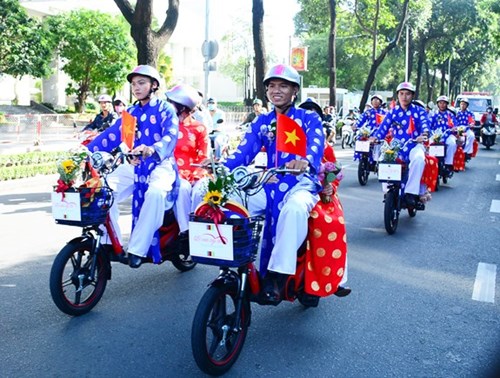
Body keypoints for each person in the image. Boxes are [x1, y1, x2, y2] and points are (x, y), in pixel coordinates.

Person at [224, 64, 325, 303]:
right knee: (230, 200)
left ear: (294, 91)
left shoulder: (307, 117)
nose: (276, 90)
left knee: (293, 210)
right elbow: (243, 152)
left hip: (301, 184)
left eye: (283, 86)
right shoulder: (262, 121)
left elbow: (316, 144)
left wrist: (305, 160)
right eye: (271, 86)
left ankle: (277, 276)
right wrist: (221, 167)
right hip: (269, 183)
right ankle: (234, 257)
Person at [87, 65, 179, 268]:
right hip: (134, 166)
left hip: (160, 166)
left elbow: (170, 137)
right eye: (133, 84)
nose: (136, 88)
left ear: (154, 85)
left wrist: (152, 149)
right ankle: (109, 242)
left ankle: (138, 249)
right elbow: (112, 135)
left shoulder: (166, 109)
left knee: (155, 194)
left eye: (141, 83)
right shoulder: (130, 112)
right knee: (103, 190)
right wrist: (85, 150)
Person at [298, 99, 350, 301]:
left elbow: (334, 170)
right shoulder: (286, 140)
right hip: (288, 192)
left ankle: (337, 279)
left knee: (333, 223)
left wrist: (330, 186)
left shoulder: (325, 146)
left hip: (321, 195)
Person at [370, 82, 429, 207]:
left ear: (412, 96)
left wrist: (424, 134)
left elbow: (425, 125)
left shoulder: (419, 111)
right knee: (383, 159)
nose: (404, 97)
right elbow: (383, 127)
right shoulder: (393, 112)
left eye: (407, 94)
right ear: (397, 95)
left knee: (419, 159)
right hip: (397, 146)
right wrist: (375, 138)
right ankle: (387, 191)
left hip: (414, 144)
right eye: (401, 94)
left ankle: (411, 193)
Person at [165, 84, 209, 239]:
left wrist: (196, 175)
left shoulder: (199, 128)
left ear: (183, 107)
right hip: (171, 172)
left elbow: (203, 155)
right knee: (182, 188)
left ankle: (199, 227)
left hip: (195, 172)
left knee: (200, 191)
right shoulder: (165, 125)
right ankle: (186, 232)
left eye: (172, 103)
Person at [354, 94, 387, 162]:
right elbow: (361, 120)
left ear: (380, 102)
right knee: (359, 137)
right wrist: (355, 126)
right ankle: (361, 156)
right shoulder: (368, 112)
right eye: (373, 100)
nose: (375, 101)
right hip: (368, 131)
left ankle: (377, 158)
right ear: (371, 102)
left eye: (377, 100)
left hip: (379, 131)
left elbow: (388, 123)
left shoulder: (384, 112)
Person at [429, 95, 458, 173]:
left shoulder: (450, 115)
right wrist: (430, 132)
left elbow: (455, 124)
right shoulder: (433, 114)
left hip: (448, 135)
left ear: (447, 104)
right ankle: (430, 162)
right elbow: (428, 125)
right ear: (438, 104)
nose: (442, 105)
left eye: (444, 103)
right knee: (429, 144)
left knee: (452, 143)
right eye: (440, 103)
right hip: (434, 135)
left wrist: (454, 128)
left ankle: (448, 164)